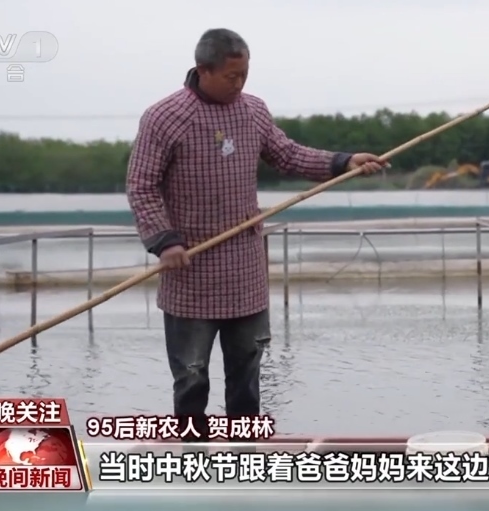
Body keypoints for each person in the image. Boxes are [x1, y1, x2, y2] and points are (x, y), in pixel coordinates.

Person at [126, 28, 387, 442]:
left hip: (244, 268)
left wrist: (343, 161)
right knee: (191, 375)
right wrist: (165, 240)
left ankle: (245, 455)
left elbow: (288, 154)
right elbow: (141, 185)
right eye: (231, 76)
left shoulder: (253, 111)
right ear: (203, 70)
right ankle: (193, 456)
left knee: (247, 372)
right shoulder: (165, 117)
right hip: (190, 269)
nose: (239, 84)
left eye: (245, 75)